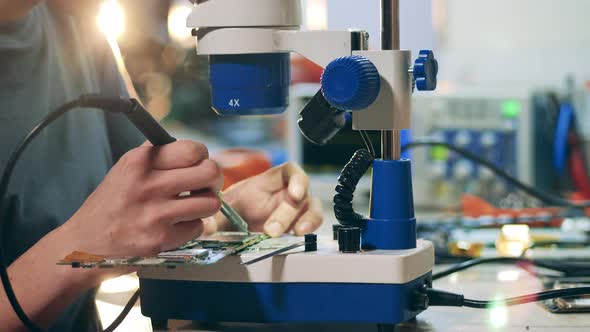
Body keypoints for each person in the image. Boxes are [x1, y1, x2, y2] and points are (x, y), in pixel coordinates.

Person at [0, 1, 323, 331]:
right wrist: (77, 247)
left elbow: (136, 213)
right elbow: (102, 231)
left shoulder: (77, 29)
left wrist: (213, 218)